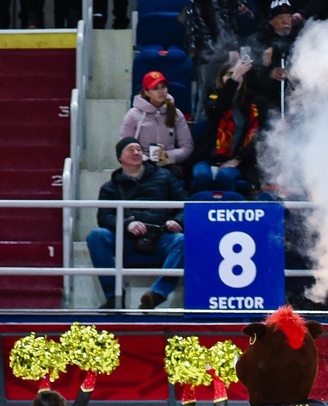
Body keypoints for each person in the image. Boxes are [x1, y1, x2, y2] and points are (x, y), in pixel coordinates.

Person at [89, 136, 187, 310]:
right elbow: (104, 218)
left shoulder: (165, 177)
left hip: (160, 235)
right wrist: (127, 224)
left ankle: (157, 294)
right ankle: (114, 296)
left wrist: (177, 221)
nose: (136, 152)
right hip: (127, 239)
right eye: (130, 149)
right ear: (120, 157)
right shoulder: (109, 187)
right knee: (96, 236)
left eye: (139, 149)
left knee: (181, 240)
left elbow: (186, 205)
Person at [191, 57, 265, 195]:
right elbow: (219, 107)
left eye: (237, 74)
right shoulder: (213, 96)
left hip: (238, 161)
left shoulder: (253, 103)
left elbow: (257, 138)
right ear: (221, 78)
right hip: (208, 158)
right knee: (202, 176)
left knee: (225, 177)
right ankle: (192, 213)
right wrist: (235, 77)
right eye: (229, 75)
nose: (234, 77)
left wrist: (237, 160)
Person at [121, 71, 195, 180]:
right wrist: (146, 159)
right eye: (155, 88)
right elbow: (124, 146)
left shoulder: (176, 114)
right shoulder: (133, 115)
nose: (161, 91)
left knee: (166, 177)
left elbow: (187, 147)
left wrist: (167, 156)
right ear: (146, 92)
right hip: (140, 165)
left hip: (168, 165)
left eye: (163, 87)